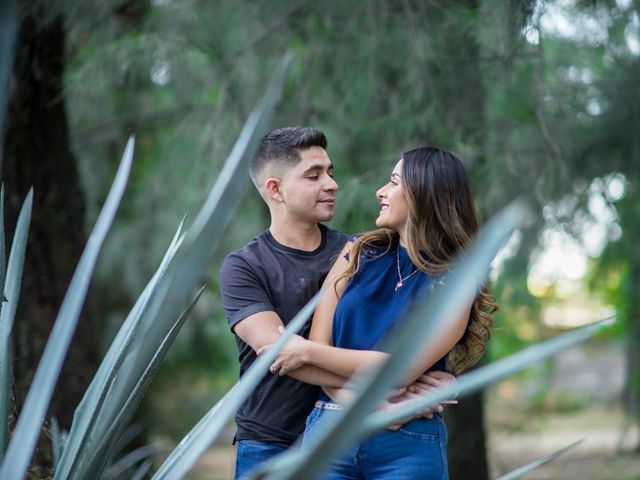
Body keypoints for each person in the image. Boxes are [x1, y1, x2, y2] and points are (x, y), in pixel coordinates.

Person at [220, 128, 453, 480]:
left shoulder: (361, 254)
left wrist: (433, 375)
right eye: (314, 175)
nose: (331, 184)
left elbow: (402, 321)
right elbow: (285, 357)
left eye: (330, 172)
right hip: (272, 443)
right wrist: (380, 400)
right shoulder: (244, 267)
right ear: (275, 189)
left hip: (347, 437)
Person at [264, 145, 497, 479]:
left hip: (406, 442)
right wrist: (374, 406)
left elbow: (396, 369)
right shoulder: (357, 253)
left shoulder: (456, 283)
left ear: (422, 193)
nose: (381, 191)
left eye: (393, 182)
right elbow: (318, 351)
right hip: (330, 433)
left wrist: (305, 351)